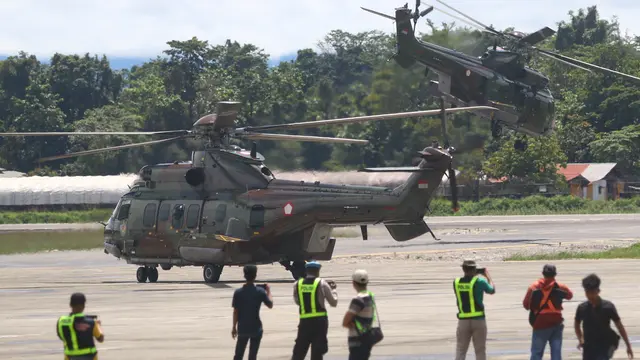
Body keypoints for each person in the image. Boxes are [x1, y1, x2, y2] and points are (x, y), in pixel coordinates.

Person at [575, 273, 633, 360]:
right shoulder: (582, 308)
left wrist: (628, 345)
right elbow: (576, 324)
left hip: (605, 345)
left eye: (592, 293)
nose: (590, 295)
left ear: (598, 291)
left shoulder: (608, 307)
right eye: (587, 292)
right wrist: (581, 339)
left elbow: (619, 326)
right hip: (588, 347)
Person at [523, 264, 573, 360]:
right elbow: (570, 295)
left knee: (536, 354)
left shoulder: (534, 287)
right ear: (555, 274)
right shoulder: (560, 287)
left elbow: (526, 305)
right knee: (556, 354)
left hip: (540, 324)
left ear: (543, 274)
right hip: (556, 323)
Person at [291, 260, 338, 360]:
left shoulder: (297, 284)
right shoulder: (322, 284)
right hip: (319, 323)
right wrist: (333, 290)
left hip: (304, 323)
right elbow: (333, 303)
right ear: (318, 271)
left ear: (306, 271)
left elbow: (298, 302)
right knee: (317, 353)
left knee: (299, 352)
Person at [453, 260, 496, 360]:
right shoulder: (479, 281)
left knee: (461, 350)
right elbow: (491, 290)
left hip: (463, 321)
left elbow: (467, 286)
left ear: (463, 269)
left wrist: (471, 273)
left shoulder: (456, 282)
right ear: (474, 269)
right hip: (478, 320)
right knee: (480, 350)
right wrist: (487, 276)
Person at [232, 264, 273, 360]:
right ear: (255, 275)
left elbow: (235, 312)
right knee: (252, 356)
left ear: (244, 275)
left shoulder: (238, 292)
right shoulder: (260, 292)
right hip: (256, 328)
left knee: (238, 355)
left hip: (242, 328)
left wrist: (234, 327)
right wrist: (268, 291)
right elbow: (270, 305)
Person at [342, 269, 379, 360]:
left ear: (353, 283)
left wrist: (351, 324)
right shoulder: (370, 297)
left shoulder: (357, 300)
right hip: (367, 338)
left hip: (357, 340)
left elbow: (345, 322)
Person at [56, 292, 104, 360]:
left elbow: (61, 336)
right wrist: (98, 325)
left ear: (70, 304)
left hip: (70, 356)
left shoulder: (61, 321)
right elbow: (100, 339)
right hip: (89, 356)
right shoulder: (91, 322)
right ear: (84, 306)